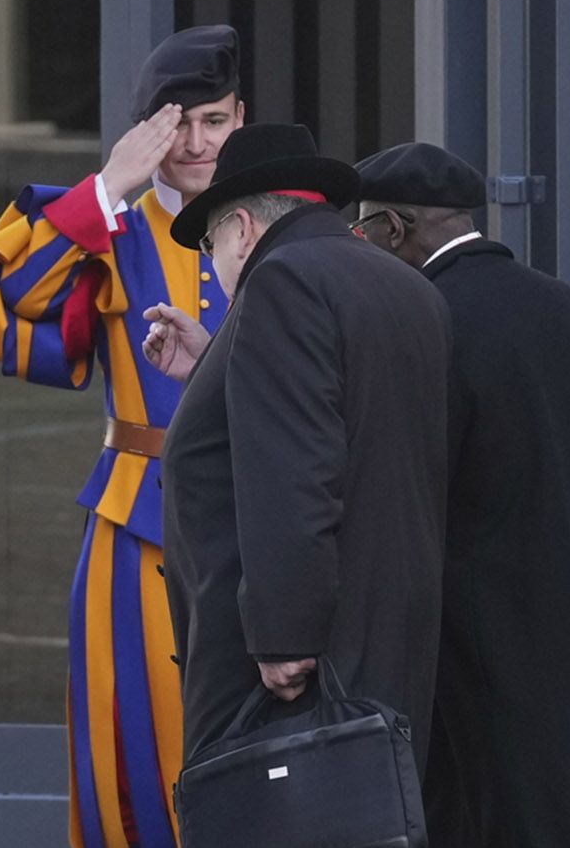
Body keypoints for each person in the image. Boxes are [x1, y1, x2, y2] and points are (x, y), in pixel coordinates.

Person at [0, 24, 242, 847]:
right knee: (133, 751)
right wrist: (108, 187)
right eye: (175, 123)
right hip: (134, 520)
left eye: (214, 123)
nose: (194, 144)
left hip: (260, 516)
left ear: (240, 119)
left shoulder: (281, 221)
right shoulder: (106, 225)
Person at [352, 141, 570, 848]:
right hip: (569, 638)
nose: (359, 246)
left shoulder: (419, 317)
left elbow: (406, 495)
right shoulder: (567, 308)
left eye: (362, 231)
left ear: (395, 229)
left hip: (458, 653)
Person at [156, 123, 451, 773]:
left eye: (209, 244)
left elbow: (292, 471)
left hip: (294, 672)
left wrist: (283, 632)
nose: (214, 264)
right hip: (389, 644)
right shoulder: (405, 286)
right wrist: (215, 368)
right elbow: (351, 427)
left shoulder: (280, 282)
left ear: (241, 225)